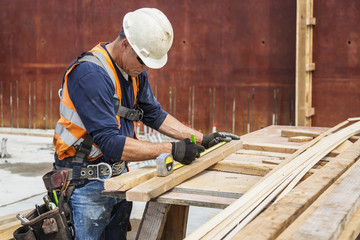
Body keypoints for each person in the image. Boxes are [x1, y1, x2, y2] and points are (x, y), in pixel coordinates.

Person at [52, 7, 239, 240]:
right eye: (143, 59)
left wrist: (201, 139)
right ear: (125, 44)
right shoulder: (91, 73)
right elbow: (110, 143)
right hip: (85, 185)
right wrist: (171, 149)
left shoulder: (133, 70)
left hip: (118, 179)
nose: (145, 67)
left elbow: (154, 115)